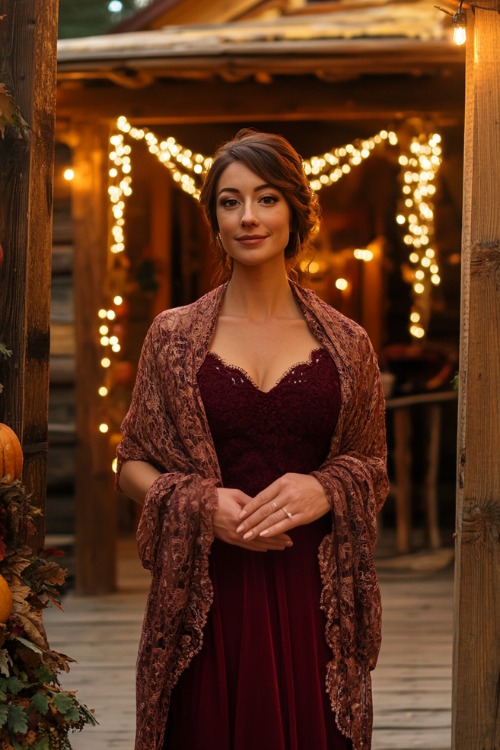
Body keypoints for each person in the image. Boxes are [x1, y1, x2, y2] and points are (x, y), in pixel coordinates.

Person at [116, 129, 389, 750]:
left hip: (312, 596)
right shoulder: (174, 336)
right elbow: (131, 462)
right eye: (230, 201)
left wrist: (326, 486)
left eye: (265, 199)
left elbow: (371, 464)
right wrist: (199, 502)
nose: (248, 218)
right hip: (208, 596)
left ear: (295, 210)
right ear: (214, 217)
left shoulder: (348, 344)